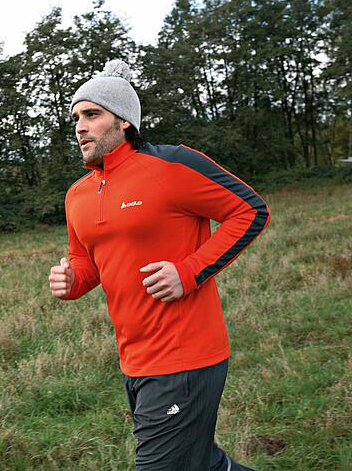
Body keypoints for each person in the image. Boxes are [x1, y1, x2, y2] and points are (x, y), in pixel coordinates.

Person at [48, 60, 270, 470]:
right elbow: (87, 263)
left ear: (125, 122)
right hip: (134, 359)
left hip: (185, 357)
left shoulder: (171, 166)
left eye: (92, 115)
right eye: (76, 117)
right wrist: (70, 279)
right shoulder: (77, 194)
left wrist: (188, 272)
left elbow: (250, 211)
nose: (80, 126)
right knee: (201, 464)